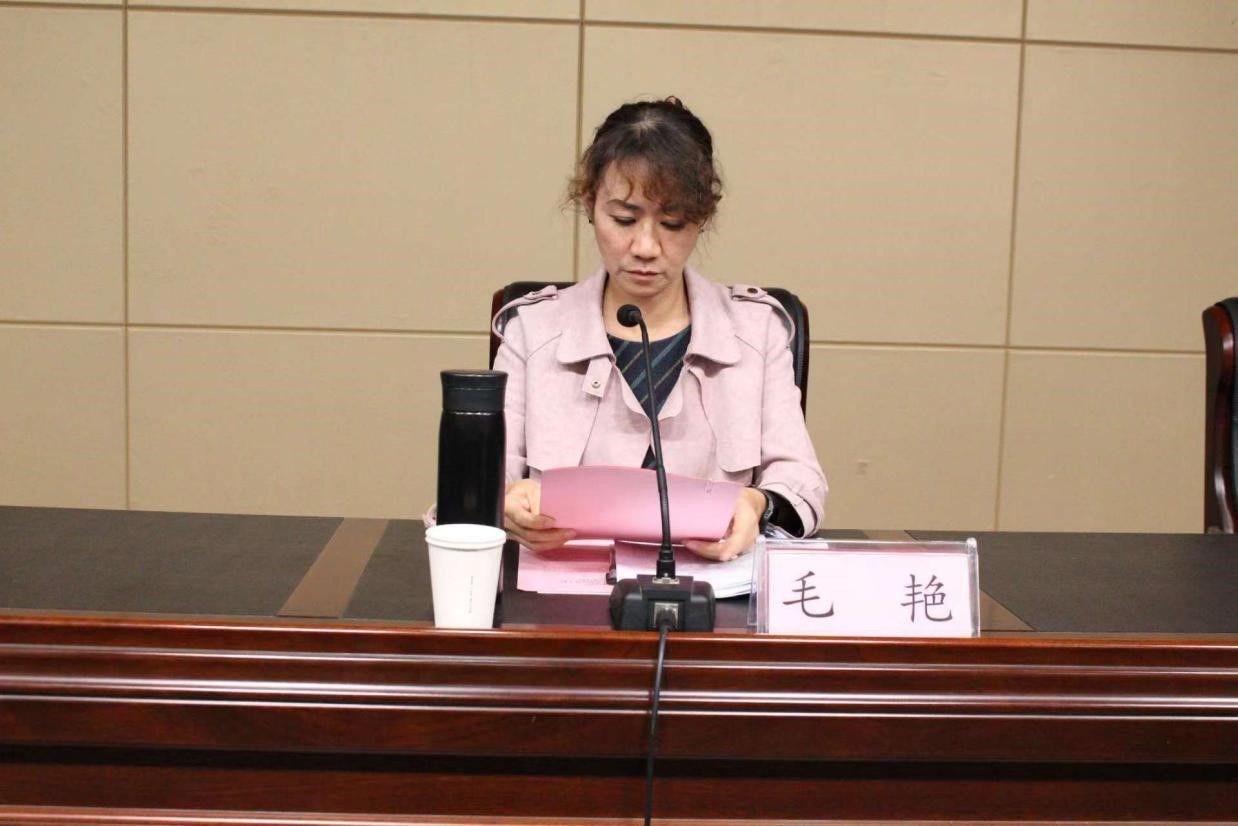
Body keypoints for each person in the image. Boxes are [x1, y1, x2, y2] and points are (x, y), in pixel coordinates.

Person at [492, 97, 826, 562]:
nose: (646, 247)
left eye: (672, 223)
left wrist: (757, 504)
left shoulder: (757, 331)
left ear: (703, 217)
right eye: (624, 220)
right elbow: (480, 484)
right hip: (565, 590)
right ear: (589, 204)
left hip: (715, 593)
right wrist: (506, 505)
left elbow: (801, 484)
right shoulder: (532, 330)